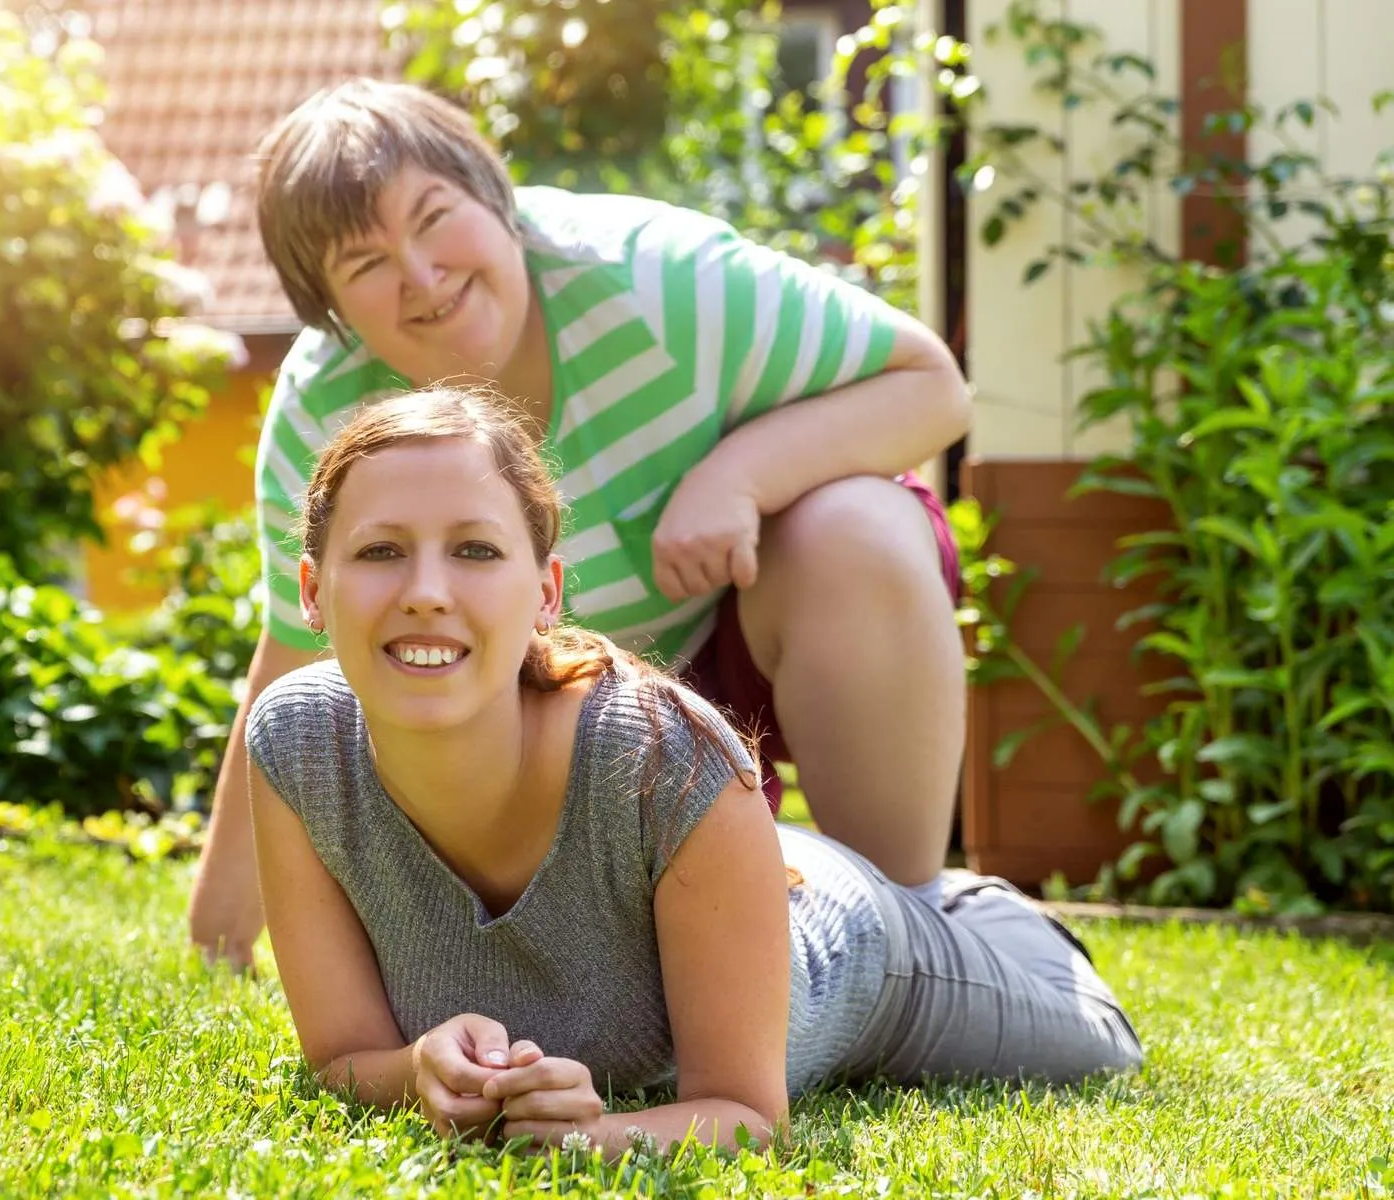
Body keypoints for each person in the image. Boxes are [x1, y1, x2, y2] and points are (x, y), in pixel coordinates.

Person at [190, 76, 974, 968]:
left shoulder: (662, 278)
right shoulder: (326, 412)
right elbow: (299, 650)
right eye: (366, 265)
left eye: (435, 216)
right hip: (582, 710)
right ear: (332, 313)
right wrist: (220, 934)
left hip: (759, 603)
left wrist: (740, 476)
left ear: (496, 197)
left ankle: (912, 941)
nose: (421, 275)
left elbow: (932, 386)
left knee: (855, 528)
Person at [244, 388, 1141, 1154]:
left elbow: (750, 1113)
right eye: (379, 550)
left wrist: (588, 1141)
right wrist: (422, 1070)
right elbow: (340, 1059)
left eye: (475, 550)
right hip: (735, 862)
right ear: (314, 592)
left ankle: (976, 908)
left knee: (1100, 1048)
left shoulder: (656, 758)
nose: (427, 590)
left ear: (546, 591)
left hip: (836, 944)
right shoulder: (294, 746)